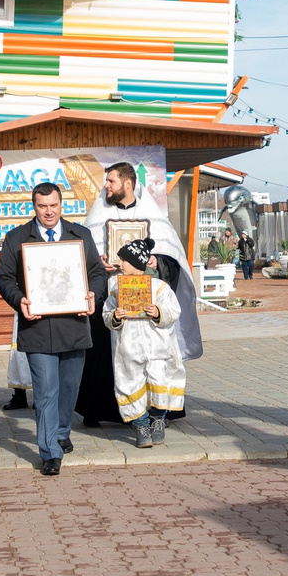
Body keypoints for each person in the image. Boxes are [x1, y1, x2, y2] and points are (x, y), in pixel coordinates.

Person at [0, 180, 106, 475]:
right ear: (34, 207)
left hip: (74, 327)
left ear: (61, 205)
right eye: (42, 206)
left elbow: (96, 273)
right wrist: (20, 300)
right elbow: (3, 278)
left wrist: (94, 293)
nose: (48, 212)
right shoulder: (16, 237)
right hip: (37, 330)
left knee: (69, 390)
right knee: (45, 392)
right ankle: (50, 452)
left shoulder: (80, 235)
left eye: (53, 205)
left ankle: (60, 432)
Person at [78, 162, 203, 427]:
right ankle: (108, 410)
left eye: (111, 180)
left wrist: (157, 260)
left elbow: (173, 256)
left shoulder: (153, 217)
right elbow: (85, 255)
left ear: (127, 182)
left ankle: (157, 411)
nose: (106, 186)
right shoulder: (99, 215)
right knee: (107, 355)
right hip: (112, 301)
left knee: (153, 359)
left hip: (148, 306)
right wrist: (99, 262)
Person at [105, 236, 186, 446]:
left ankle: (157, 418)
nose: (120, 264)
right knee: (131, 383)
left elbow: (174, 310)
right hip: (129, 348)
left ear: (136, 263)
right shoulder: (115, 288)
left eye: (123, 260)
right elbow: (106, 314)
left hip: (158, 347)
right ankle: (140, 424)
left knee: (160, 380)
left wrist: (159, 312)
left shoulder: (159, 287)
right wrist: (116, 316)